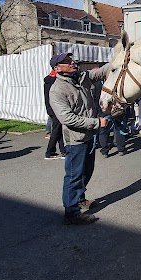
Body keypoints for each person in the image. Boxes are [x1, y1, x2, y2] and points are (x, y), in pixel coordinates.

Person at [48, 52, 112, 225]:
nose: (72, 62)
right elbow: (67, 118)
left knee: (86, 171)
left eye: (71, 59)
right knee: (74, 175)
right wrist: (96, 122)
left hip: (90, 135)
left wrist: (119, 58)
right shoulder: (57, 90)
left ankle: (80, 199)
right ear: (57, 68)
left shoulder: (82, 77)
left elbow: (103, 70)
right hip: (76, 139)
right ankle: (71, 213)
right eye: (67, 62)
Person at [43, 68, 66, 159]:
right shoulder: (54, 81)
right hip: (55, 109)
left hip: (51, 109)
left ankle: (63, 151)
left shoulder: (49, 80)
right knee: (56, 131)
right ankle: (49, 152)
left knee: (59, 130)